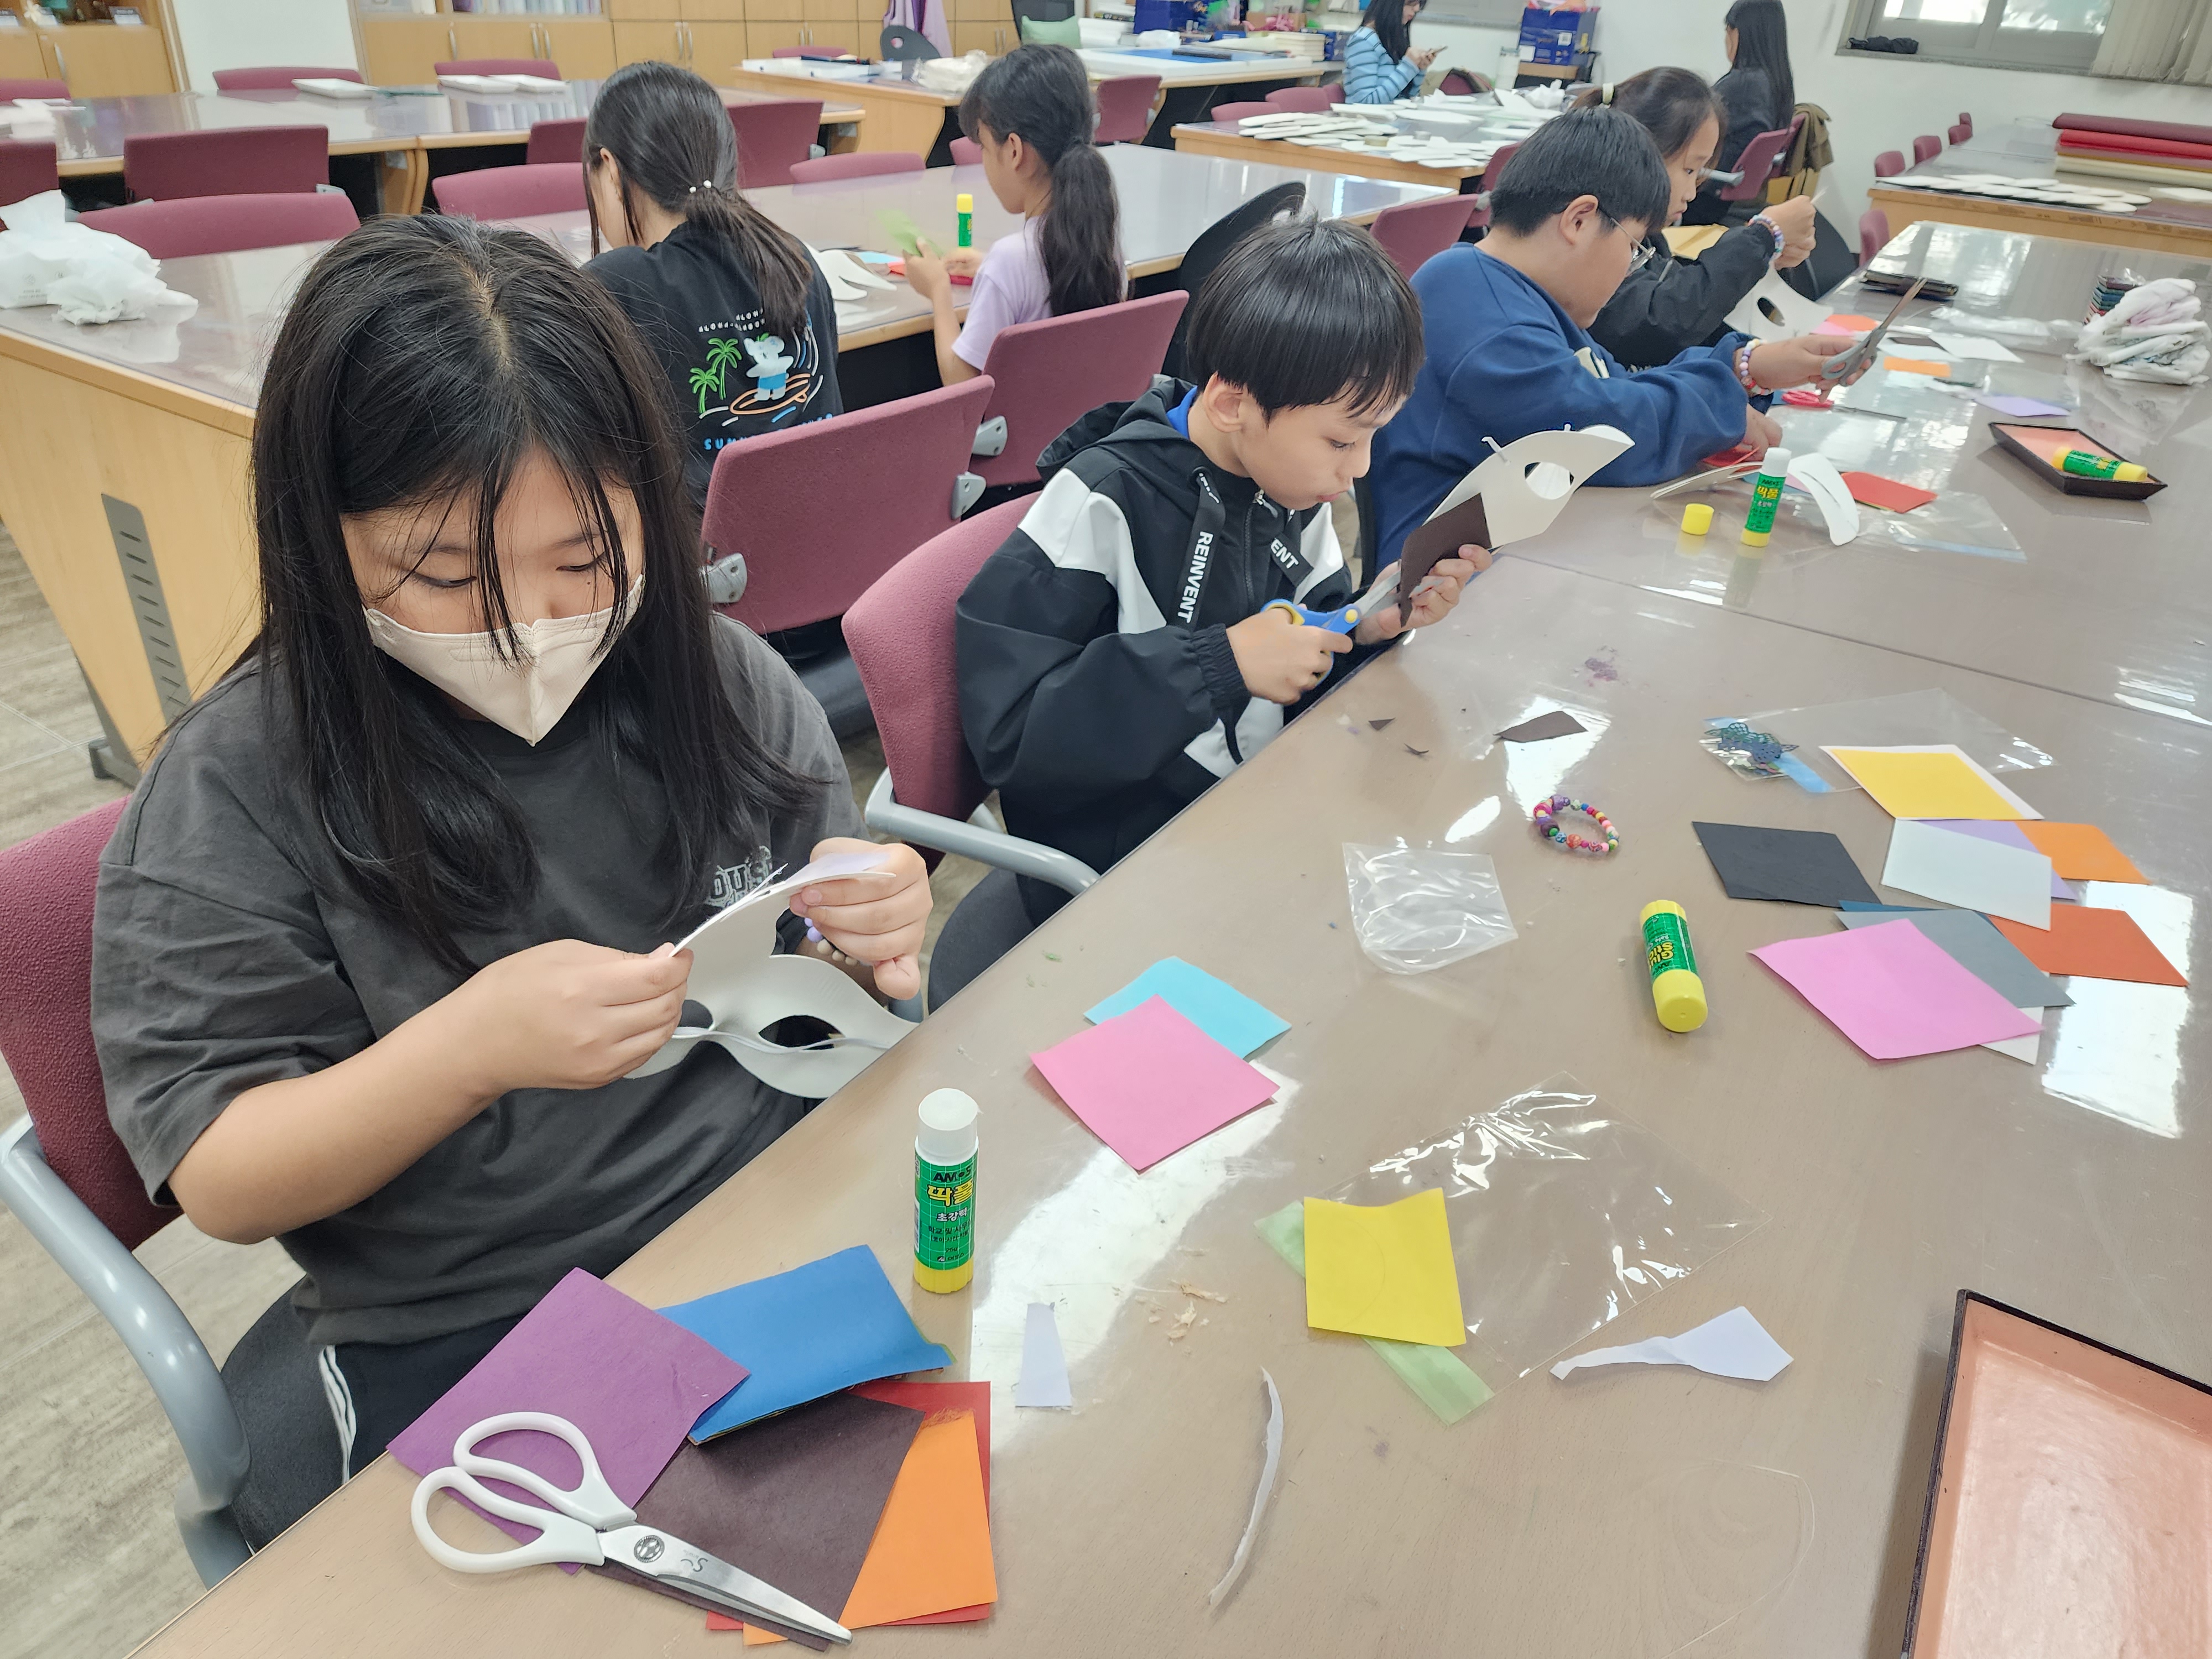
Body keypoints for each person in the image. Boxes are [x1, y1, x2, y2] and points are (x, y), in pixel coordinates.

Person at [92, 215, 930, 1499]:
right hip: (488, 1313)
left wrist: (866, 934)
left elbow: (816, 964)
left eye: (585, 559)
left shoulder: (714, 680)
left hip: (772, 1203)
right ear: (320, 537)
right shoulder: (240, 784)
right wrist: (467, 1049)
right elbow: (223, 1174)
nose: (527, 626)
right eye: (440, 575)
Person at [957, 219, 1480, 929]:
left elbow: (1308, 647)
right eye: (1340, 440)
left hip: (1256, 811)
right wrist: (1218, 664)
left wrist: (1362, 629)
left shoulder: (1292, 489)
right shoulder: (1101, 503)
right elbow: (1012, 737)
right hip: (1128, 865)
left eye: (1372, 437)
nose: (1357, 469)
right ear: (1234, 405)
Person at [1368, 107, 1861, 565]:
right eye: (1634, 247)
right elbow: (1606, 431)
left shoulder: (1504, 288)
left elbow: (1612, 385)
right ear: (1579, 220)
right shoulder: (1481, 313)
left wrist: (1745, 368)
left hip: (1505, 556)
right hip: (1445, 589)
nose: (1630, 266)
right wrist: (1723, 402)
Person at [581, 60, 843, 512]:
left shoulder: (613, 286)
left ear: (609, 169)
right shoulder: (794, 259)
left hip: (693, 552)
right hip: (818, 528)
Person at [905, 43, 1124, 385]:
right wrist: (990, 268)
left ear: (1014, 151)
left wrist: (938, 291)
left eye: (984, 147)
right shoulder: (1103, 241)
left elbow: (963, 384)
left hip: (1014, 423)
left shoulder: (1010, 260)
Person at [1577, 69, 1815, 368]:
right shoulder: (1592, 240)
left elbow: (1687, 307)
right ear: (1641, 155)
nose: (1692, 192)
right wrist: (1764, 238)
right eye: (1689, 170)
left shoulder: (1646, 238)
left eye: (1700, 173)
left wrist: (1763, 262)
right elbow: (1660, 323)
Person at [1682, 0, 1794, 226]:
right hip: (1724, 198)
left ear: (1740, 34)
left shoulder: (1742, 84)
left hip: (1699, 199)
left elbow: (1689, 129)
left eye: (1728, 31)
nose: (1726, 40)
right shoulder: (1778, 84)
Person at [1343, 0, 1438, 105]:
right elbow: (1365, 102)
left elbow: (1406, 97)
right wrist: (1408, 67)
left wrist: (1419, 68)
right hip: (1370, 115)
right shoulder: (1364, 40)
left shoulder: (1393, 39)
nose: (1417, 9)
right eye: (1412, 2)